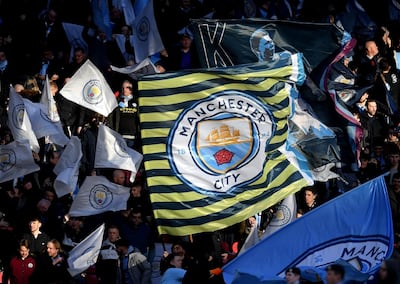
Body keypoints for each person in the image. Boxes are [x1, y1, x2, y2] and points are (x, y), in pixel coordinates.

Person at [110, 79, 139, 149]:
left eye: (126, 88)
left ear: (131, 89)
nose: (124, 90)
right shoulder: (118, 101)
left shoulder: (137, 101)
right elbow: (112, 116)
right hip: (120, 136)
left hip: (133, 137)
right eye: (123, 88)